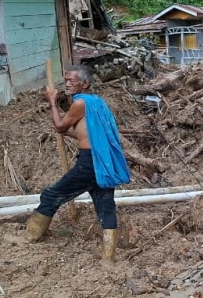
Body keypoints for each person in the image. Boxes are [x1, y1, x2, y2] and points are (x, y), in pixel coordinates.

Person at [24, 65, 131, 263]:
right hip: (101, 160)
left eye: (72, 81)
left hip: (89, 162)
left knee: (51, 194)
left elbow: (59, 125)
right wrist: (68, 133)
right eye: (65, 80)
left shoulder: (80, 103)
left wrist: (52, 103)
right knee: (105, 206)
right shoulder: (97, 102)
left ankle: (30, 236)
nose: (67, 84)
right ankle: (108, 256)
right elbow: (88, 134)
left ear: (85, 83)